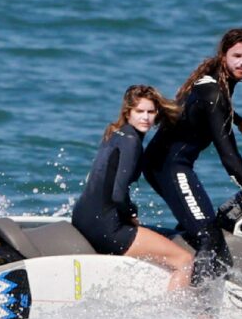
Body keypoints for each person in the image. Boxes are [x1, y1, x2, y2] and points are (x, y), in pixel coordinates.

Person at [142, 28, 242, 284]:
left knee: (197, 224)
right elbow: (229, 158)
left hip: (162, 164)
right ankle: (199, 311)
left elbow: (205, 112)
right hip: (170, 167)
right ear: (223, 57)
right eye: (237, 56)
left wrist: (238, 120)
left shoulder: (213, 82)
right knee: (210, 236)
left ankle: (173, 265)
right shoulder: (216, 93)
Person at [72, 85, 194, 292]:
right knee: (184, 259)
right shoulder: (131, 142)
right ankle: (174, 314)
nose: (145, 117)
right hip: (106, 229)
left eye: (151, 112)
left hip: (83, 218)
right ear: (128, 112)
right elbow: (118, 194)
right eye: (139, 111)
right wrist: (131, 214)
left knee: (158, 238)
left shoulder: (114, 133)